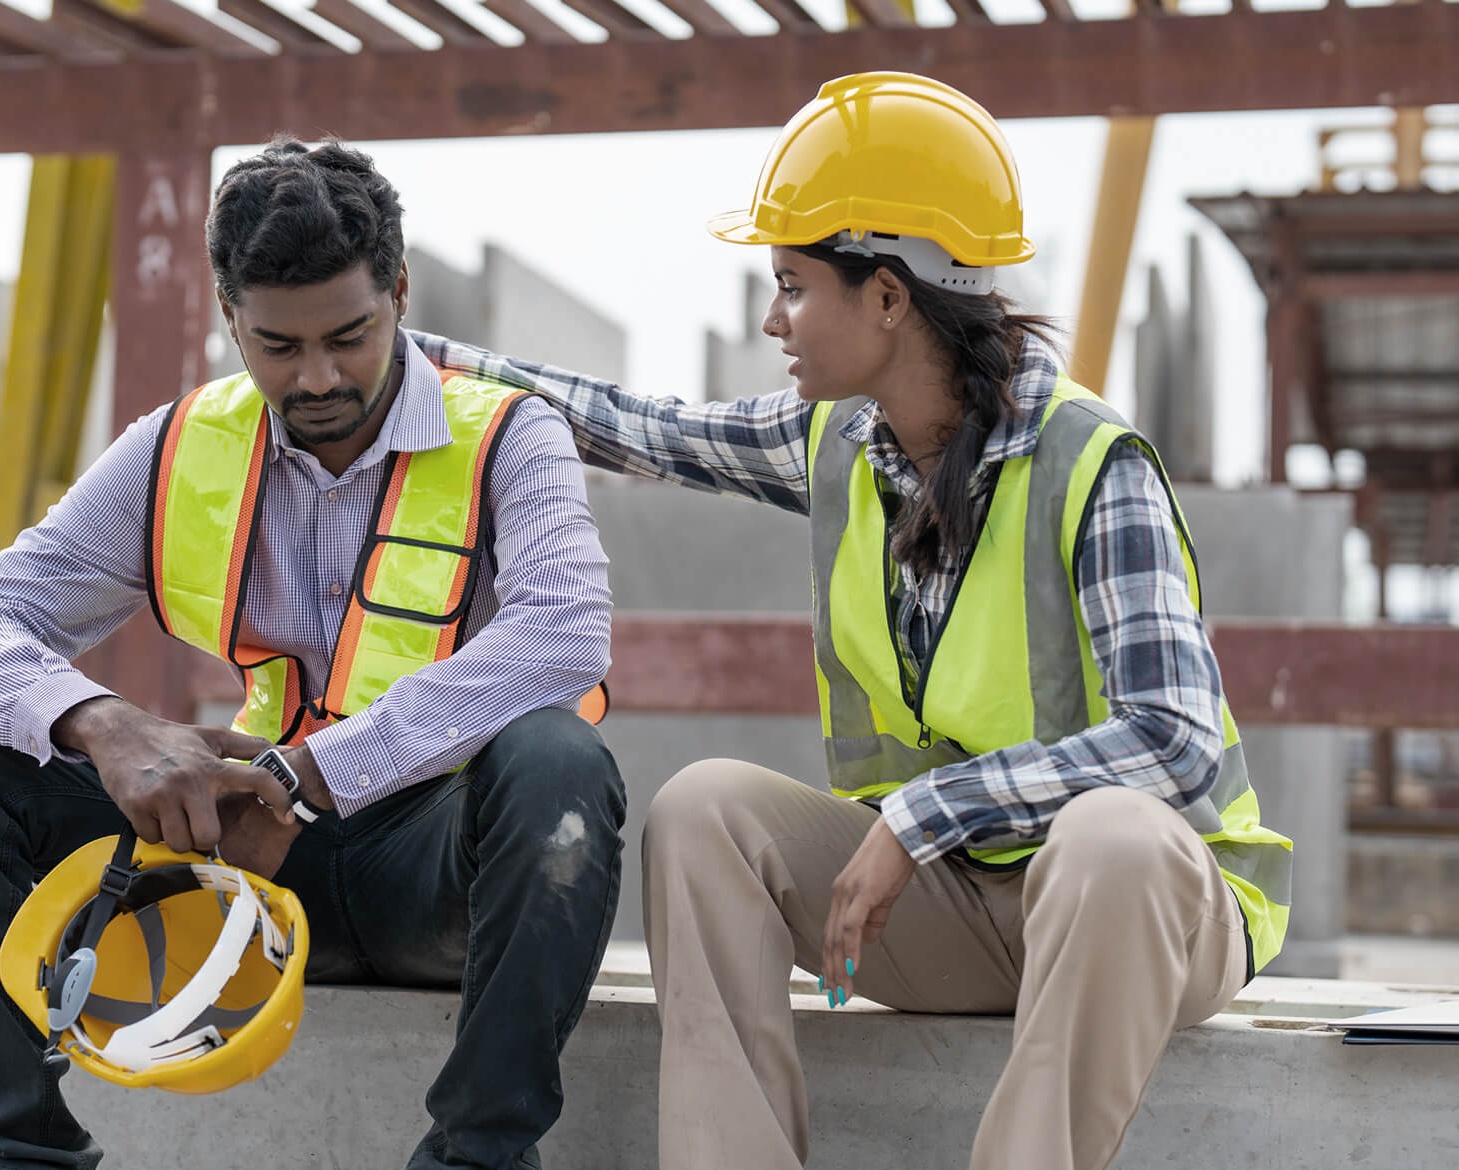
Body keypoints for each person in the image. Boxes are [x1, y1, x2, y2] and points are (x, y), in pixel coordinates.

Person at [414, 72, 1293, 1170]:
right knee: (706, 814)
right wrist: (424, 360)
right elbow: (643, 427)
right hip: (953, 912)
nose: (772, 320)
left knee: (1110, 839)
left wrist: (925, 811)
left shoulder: (1092, 465)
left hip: (1141, 922)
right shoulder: (833, 442)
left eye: (788, 284)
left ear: (887, 295)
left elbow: (1174, 740)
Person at [0, 137, 626, 1170]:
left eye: (350, 336)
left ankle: (478, 1156)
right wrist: (104, 725)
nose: (317, 376)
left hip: (434, 870)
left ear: (400, 291)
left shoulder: (511, 436)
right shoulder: (174, 447)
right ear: (230, 315)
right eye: (276, 345)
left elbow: (564, 633)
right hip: (239, 856)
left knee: (559, 762)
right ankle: (25, 1153)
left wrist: (317, 773)